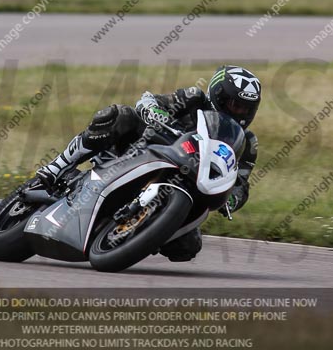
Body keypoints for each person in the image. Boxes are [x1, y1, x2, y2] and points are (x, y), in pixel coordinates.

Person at [33, 65, 261, 262]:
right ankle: (59, 166)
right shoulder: (193, 99)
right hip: (146, 149)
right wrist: (153, 111)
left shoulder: (246, 142)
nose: (239, 112)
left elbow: (241, 181)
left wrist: (232, 198)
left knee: (187, 247)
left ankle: (140, 231)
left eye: (245, 108)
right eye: (233, 104)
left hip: (190, 183)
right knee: (118, 116)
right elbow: (152, 100)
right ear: (217, 96)